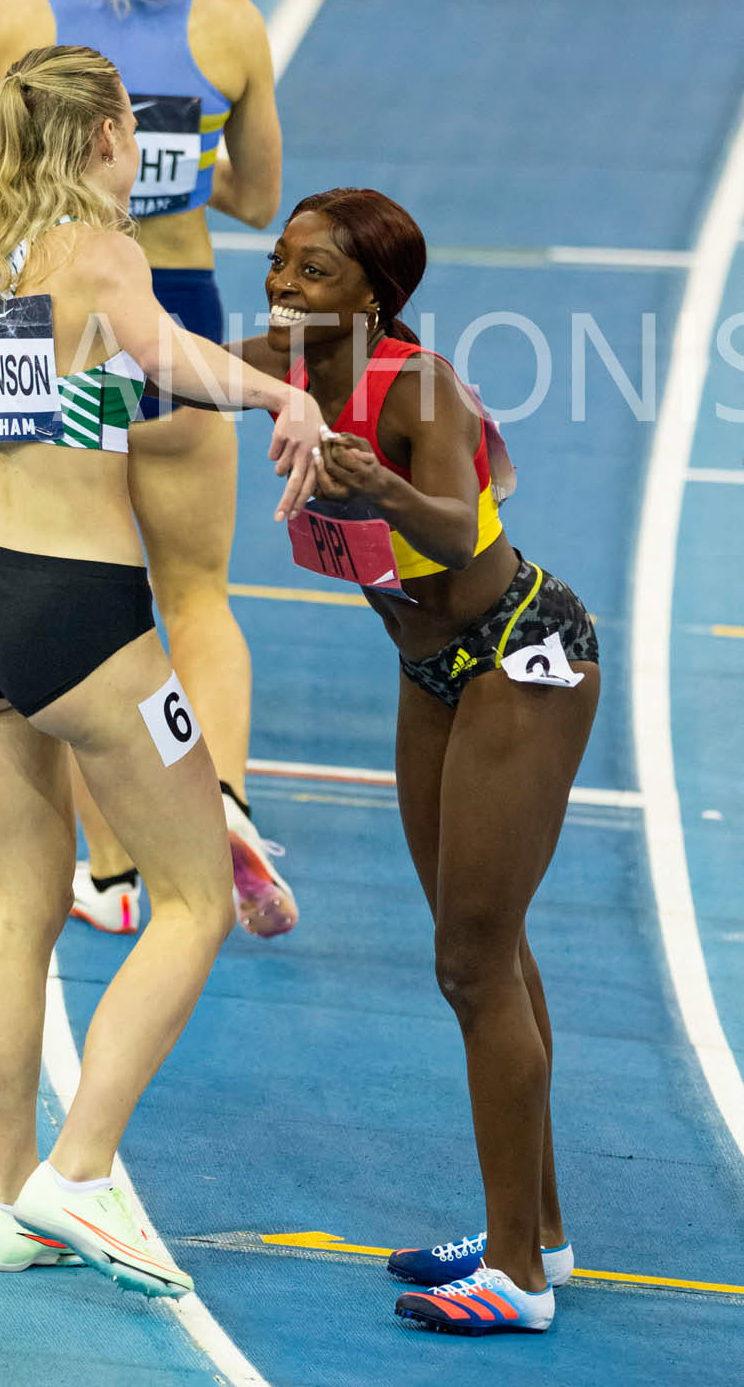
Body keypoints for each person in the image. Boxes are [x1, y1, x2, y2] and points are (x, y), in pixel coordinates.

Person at [0, 45, 321, 1298]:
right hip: (79, 616)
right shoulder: (98, 250)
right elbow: (166, 354)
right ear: (96, 142)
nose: (140, 154)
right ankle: (81, 1172)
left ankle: (12, 1198)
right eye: (131, 131)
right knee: (195, 900)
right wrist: (274, 397)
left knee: (26, 908)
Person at [0, 0, 295, 938]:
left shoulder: (8, 18)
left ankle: (117, 866)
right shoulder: (228, 26)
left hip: (53, 320)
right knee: (195, 592)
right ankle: (216, 795)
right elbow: (259, 199)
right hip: (171, 300)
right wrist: (176, 170)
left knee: (78, 567)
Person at [243, 188, 598, 1337]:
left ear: (375, 296)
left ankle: (518, 1279)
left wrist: (378, 483)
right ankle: (531, 1231)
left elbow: (452, 523)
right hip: (432, 672)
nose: (284, 290)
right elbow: (153, 356)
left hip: (522, 656)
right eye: (278, 265)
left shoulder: (419, 384)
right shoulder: (288, 364)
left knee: (469, 962)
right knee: (484, 944)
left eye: (312, 274)